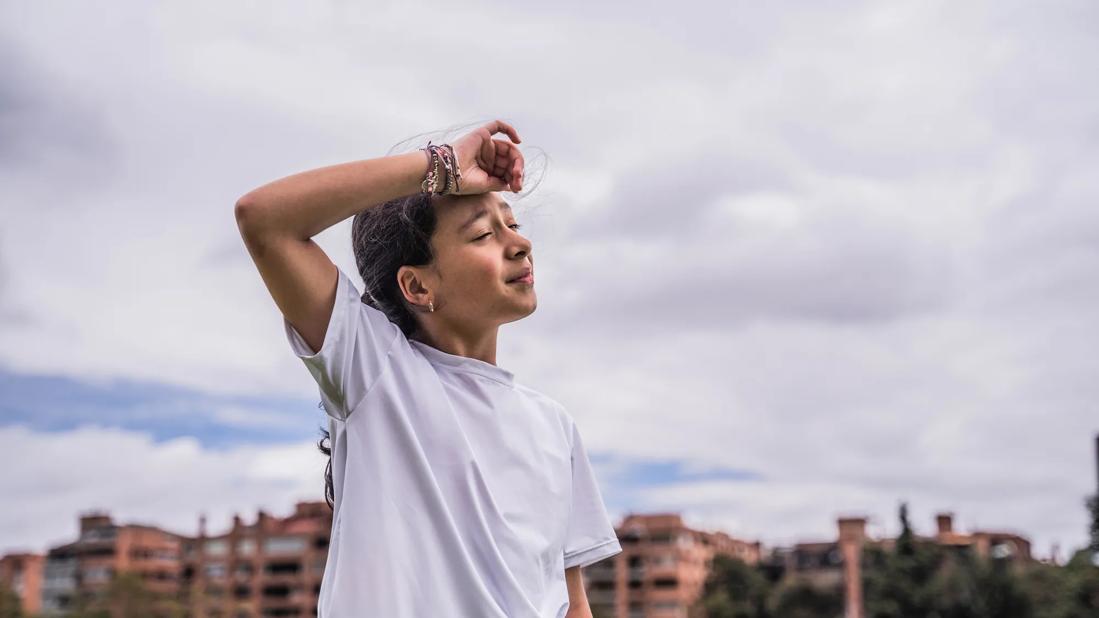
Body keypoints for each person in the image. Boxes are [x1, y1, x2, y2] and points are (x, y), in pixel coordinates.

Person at [234, 119, 622, 617]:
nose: (519, 244)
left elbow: (572, 606)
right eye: (483, 234)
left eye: (513, 224)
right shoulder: (376, 373)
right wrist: (440, 168)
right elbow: (264, 219)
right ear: (417, 287)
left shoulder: (555, 426)